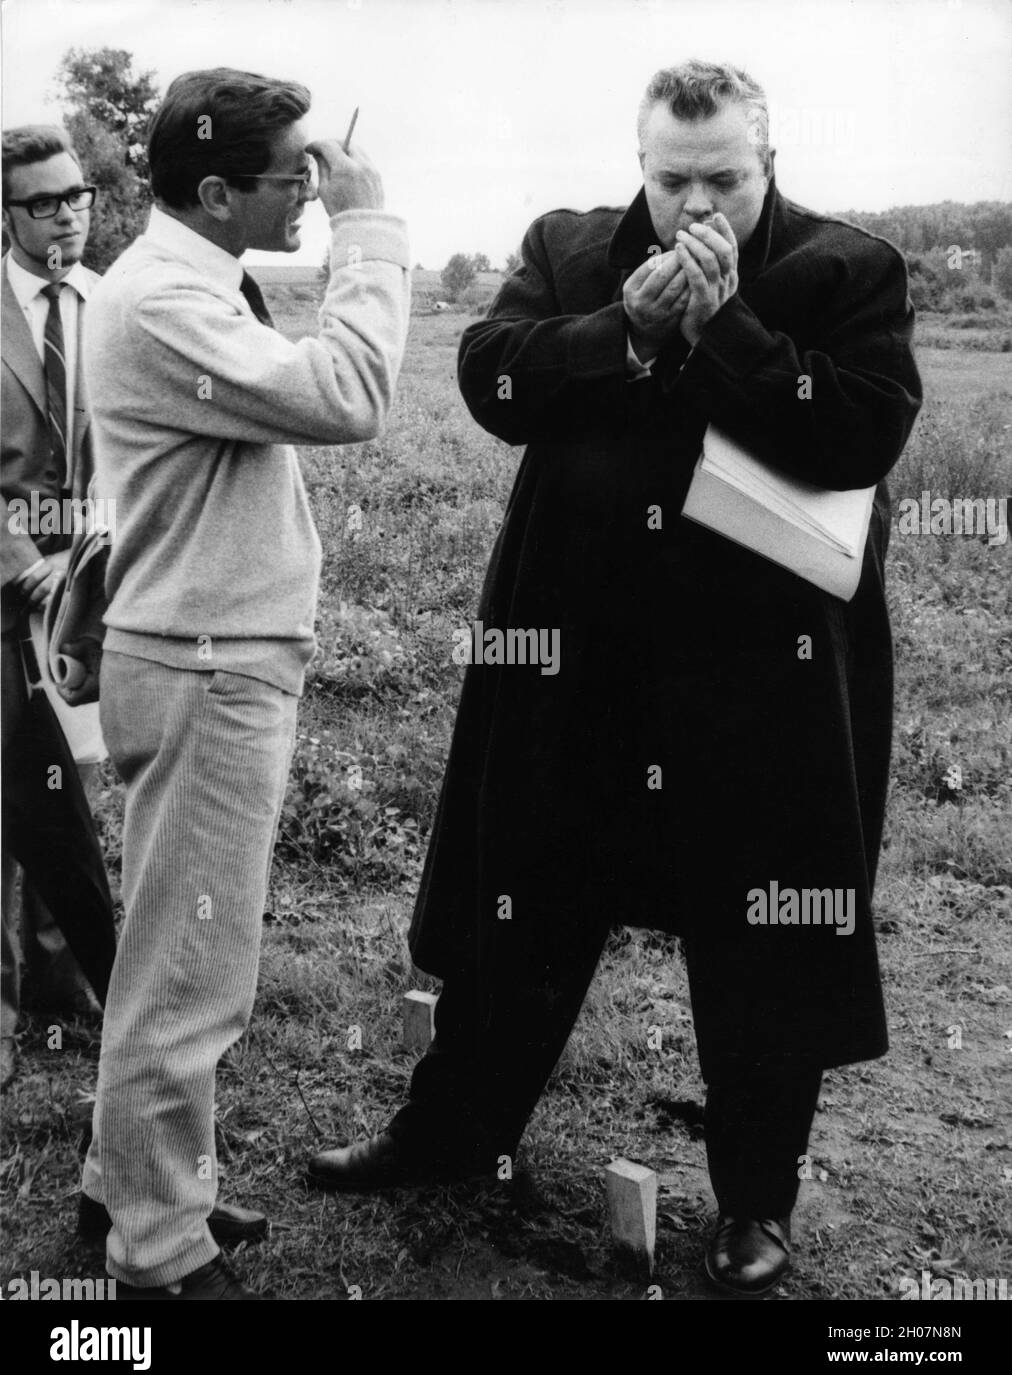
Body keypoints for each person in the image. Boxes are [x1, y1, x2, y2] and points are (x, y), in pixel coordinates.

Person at [308, 60, 922, 1297]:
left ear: (768, 159)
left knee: (762, 928)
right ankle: (451, 1133)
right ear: (638, 159)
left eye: (724, 179)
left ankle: (755, 1201)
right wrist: (626, 333)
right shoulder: (570, 245)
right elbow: (492, 377)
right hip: (572, 660)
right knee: (518, 895)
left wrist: (728, 332)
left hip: (761, 681)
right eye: (670, 175)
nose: (696, 205)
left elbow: (862, 428)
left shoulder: (847, 268)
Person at [79, 67, 411, 1300]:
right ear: (216, 191)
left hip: (197, 652)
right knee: (190, 977)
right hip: (210, 665)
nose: (313, 188)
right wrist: (371, 233)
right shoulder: (169, 299)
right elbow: (350, 394)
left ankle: (127, 1185)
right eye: (294, 175)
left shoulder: (183, 280)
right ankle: (159, 1250)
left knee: (163, 950)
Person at [1, 125, 117, 1091]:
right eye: (45, 201)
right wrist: (16, 557)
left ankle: (58, 984)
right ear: (8, 213)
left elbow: (128, 455)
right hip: (4, 587)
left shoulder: (112, 307)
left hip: (79, 593)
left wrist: (78, 556)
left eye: (76, 194)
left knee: (58, 773)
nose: (68, 213)